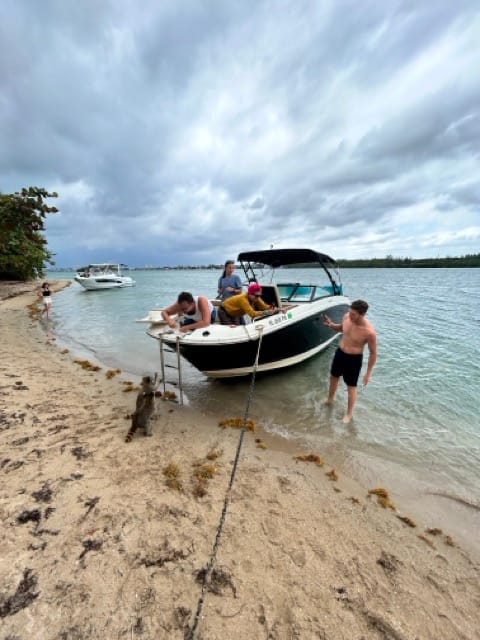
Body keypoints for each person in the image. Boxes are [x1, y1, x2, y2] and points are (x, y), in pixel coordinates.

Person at [323, 299, 377, 424]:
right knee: (334, 377)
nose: (350, 315)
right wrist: (331, 325)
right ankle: (330, 400)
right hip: (340, 353)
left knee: (351, 387)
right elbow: (342, 328)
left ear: (362, 314)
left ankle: (349, 414)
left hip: (353, 359)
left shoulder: (369, 332)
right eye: (350, 312)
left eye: (353, 314)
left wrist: (368, 373)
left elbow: (373, 353)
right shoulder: (347, 317)